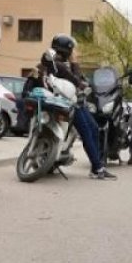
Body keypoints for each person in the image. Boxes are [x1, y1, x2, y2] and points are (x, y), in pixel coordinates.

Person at [39, 34, 117, 180]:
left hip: (73, 101)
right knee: (87, 132)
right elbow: (75, 80)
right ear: (67, 50)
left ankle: (97, 164)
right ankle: (97, 168)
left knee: (93, 128)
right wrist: (75, 63)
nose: (75, 53)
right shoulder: (59, 65)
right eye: (73, 50)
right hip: (70, 102)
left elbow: (79, 79)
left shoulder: (54, 62)